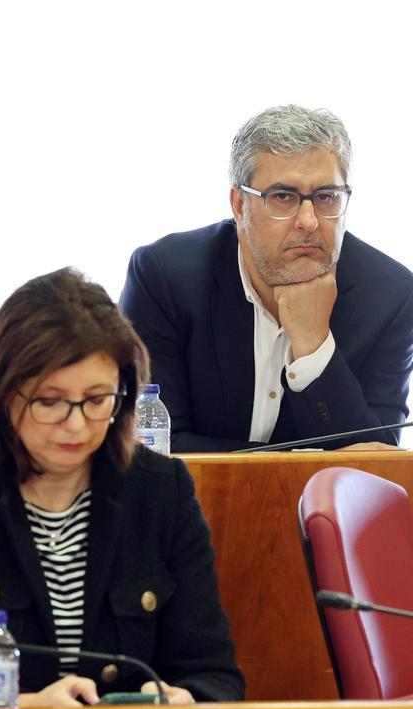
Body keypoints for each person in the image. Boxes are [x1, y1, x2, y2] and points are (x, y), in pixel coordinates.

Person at [0, 269, 244, 709]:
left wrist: (185, 699)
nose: (76, 424)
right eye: (50, 401)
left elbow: (216, 675)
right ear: (4, 391)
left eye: (97, 400)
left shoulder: (162, 492)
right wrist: (25, 707)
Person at [120, 105, 413, 453]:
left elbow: (377, 460)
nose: (309, 221)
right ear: (239, 205)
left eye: (326, 197)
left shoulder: (391, 297)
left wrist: (314, 345)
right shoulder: (164, 278)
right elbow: (154, 448)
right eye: (283, 197)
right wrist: (294, 464)